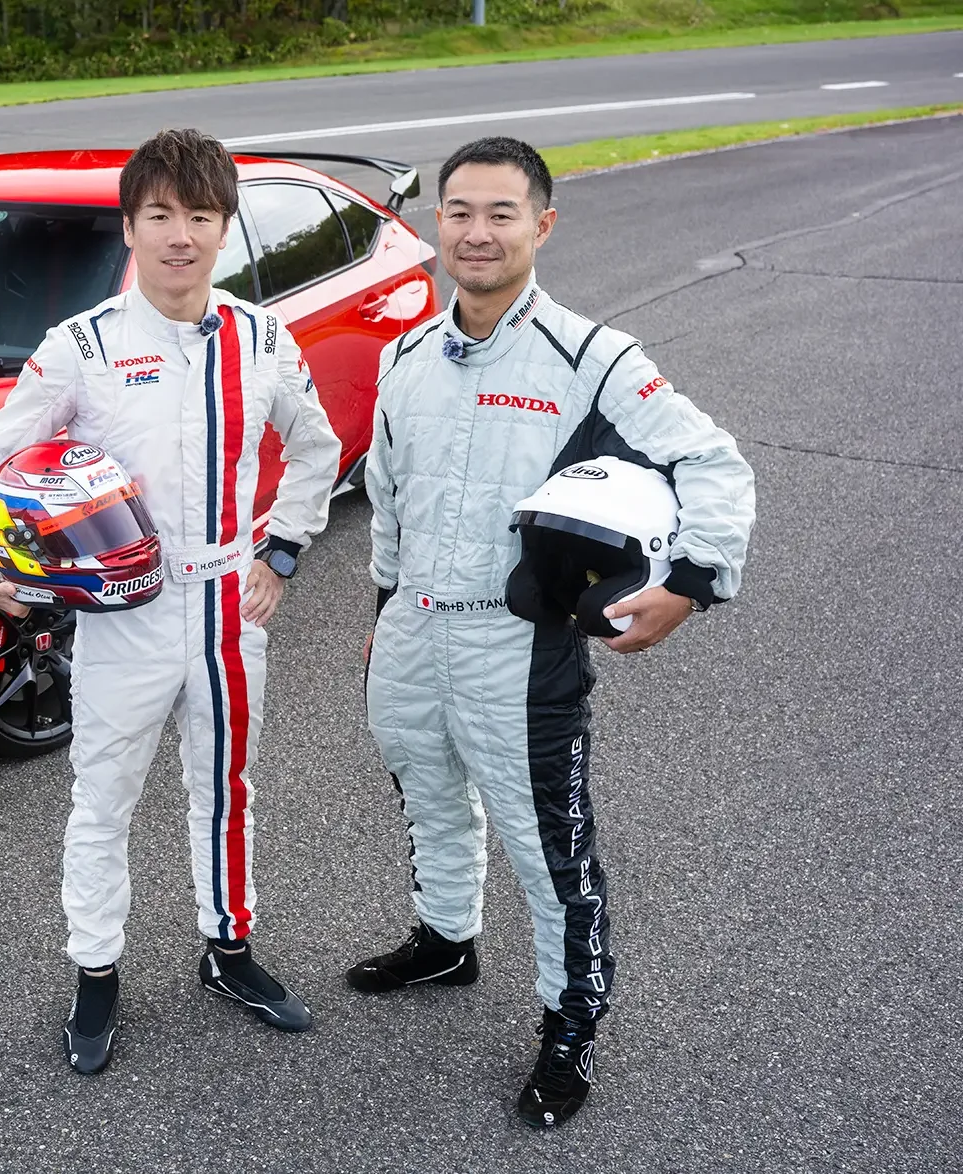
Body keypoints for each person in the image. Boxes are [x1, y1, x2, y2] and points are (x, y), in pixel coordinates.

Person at [349, 136, 756, 1127]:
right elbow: (387, 496)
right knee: (429, 803)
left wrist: (690, 583)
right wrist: (384, 605)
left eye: (501, 212)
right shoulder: (405, 356)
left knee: (548, 850)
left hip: (517, 649)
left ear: (542, 224)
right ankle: (445, 940)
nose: (477, 231)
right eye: (459, 211)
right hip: (413, 634)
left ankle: (570, 1025)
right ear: (436, 222)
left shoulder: (594, 357)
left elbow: (711, 463)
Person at [0, 128, 342, 1075]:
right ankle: (95, 973)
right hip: (122, 614)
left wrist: (282, 552)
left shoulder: (262, 337)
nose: (181, 235)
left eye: (200, 216)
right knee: (103, 800)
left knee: (226, 791)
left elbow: (319, 446)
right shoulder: (82, 346)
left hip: (229, 611)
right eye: (160, 215)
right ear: (129, 227)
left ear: (225, 229)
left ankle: (229, 950)